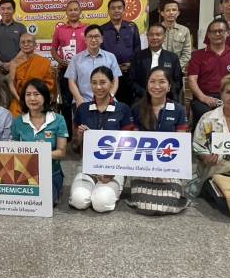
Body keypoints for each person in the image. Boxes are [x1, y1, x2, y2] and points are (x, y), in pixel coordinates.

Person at [69, 67, 135, 212]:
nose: (98, 87)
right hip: (88, 166)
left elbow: (129, 148)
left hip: (115, 168)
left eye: (103, 82)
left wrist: (111, 173)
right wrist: (79, 137)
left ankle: (104, 190)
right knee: (79, 200)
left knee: (101, 203)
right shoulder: (83, 109)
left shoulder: (123, 109)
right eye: (94, 83)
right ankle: (90, 188)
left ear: (112, 83)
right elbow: (74, 147)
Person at [129, 66, 189, 214]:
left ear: (169, 86)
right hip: (143, 166)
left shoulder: (179, 110)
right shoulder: (136, 109)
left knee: (170, 200)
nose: (156, 86)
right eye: (152, 81)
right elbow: (134, 143)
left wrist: (164, 169)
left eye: (162, 81)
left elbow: (180, 146)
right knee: (144, 204)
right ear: (147, 84)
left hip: (169, 166)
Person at [11, 78, 68, 205]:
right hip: (24, 174)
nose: (32, 98)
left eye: (37, 94)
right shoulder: (18, 122)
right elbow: (13, 151)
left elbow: (61, 152)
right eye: (28, 94)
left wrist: (38, 153)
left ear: (45, 97)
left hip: (50, 173)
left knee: (46, 203)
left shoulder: (58, 120)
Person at [187, 18, 230, 128]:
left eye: (221, 31)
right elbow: (192, 80)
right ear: (208, 35)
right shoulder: (197, 55)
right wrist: (203, 98)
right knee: (203, 114)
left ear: (227, 33)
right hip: (204, 97)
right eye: (213, 31)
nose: (217, 34)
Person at [50, 0, 88, 134]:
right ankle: (67, 135)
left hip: (83, 72)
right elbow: (53, 50)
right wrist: (60, 60)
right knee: (66, 104)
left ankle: (83, 133)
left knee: (83, 102)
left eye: (76, 9)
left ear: (80, 12)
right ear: (66, 12)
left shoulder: (86, 29)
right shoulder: (60, 30)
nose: (73, 12)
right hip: (65, 71)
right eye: (70, 10)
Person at [65, 24, 122, 108]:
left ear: (102, 39)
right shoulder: (76, 59)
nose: (93, 39)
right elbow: (71, 82)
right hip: (84, 101)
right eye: (90, 36)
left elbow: (115, 81)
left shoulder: (111, 57)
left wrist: (110, 97)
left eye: (96, 36)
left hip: (107, 100)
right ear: (85, 39)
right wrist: (79, 99)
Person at [101, 0, 141, 105]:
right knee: (112, 103)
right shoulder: (102, 29)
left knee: (130, 103)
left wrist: (131, 64)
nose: (116, 10)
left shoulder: (132, 27)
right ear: (108, 11)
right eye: (113, 8)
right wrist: (113, 66)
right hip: (110, 74)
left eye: (119, 8)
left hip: (129, 73)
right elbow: (101, 51)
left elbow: (137, 48)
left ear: (124, 10)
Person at [130, 23, 183, 103]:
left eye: (158, 35)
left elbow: (178, 82)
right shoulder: (138, 56)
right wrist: (146, 93)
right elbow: (131, 81)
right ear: (147, 36)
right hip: (143, 97)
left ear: (164, 37)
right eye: (151, 35)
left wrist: (164, 93)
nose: (154, 37)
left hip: (168, 97)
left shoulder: (172, 57)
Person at [8, 33, 55, 117]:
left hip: (39, 100)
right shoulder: (14, 63)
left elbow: (49, 84)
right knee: (15, 115)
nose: (26, 44)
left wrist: (39, 99)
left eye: (29, 41)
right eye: (23, 42)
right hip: (20, 100)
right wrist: (21, 100)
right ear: (19, 45)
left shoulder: (43, 62)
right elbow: (11, 84)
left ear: (35, 45)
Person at [0, 0, 27, 77]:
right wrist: (0, 64)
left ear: (14, 10)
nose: (6, 11)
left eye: (9, 9)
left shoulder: (21, 27)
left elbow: (24, 49)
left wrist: (12, 63)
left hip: (17, 68)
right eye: (3, 9)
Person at [158, 0, 192, 70]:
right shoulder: (155, 30)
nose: (171, 13)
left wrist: (176, 66)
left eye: (174, 10)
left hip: (177, 70)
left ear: (178, 13)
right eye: (168, 10)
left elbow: (187, 53)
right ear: (162, 13)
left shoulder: (185, 30)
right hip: (158, 69)